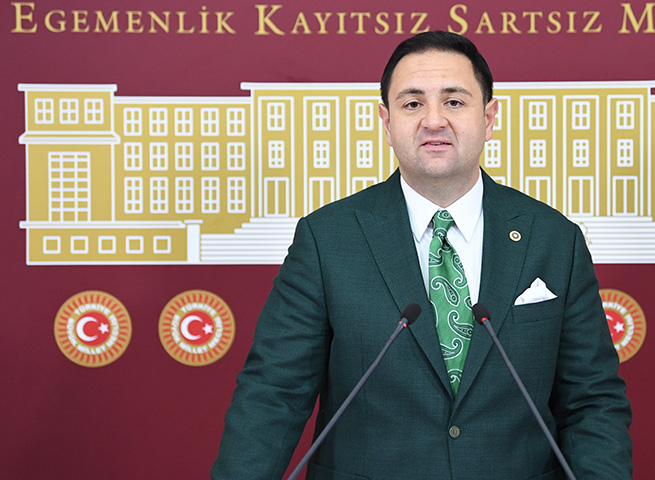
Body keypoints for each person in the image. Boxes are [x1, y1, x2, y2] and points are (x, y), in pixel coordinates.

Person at [212, 31, 632, 479]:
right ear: (387, 121)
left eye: (454, 101)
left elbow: (592, 401)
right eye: (413, 103)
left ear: (489, 118)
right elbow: (273, 394)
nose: (434, 120)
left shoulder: (553, 239)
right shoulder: (327, 239)